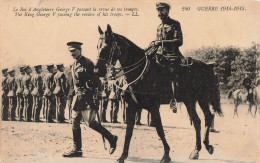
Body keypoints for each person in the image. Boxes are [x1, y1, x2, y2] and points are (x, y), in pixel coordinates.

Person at [63, 41, 117, 157]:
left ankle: (111, 138)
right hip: (77, 97)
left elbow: (97, 81)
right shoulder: (73, 66)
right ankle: (77, 149)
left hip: (87, 97)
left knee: (90, 123)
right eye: (70, 52)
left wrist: (95, 95)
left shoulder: (88, 63)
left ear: (79, 50)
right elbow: (72, 85)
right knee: (74, 121)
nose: (72, 53)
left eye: (74, 51)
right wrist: (69, 98)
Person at [149, 2, 184, 113]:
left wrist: (161, 42)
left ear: (167, 11)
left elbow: (179, 41)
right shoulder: (159, 26)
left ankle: (173, 99)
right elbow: (157, 43)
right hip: (159, 55)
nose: (160, 13)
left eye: (162, 10)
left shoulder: (175, 24)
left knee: (171, 72)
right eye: (158, 11)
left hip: (172, 55)